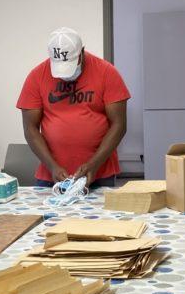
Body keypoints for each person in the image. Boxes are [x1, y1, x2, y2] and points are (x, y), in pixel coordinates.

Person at [17, 27, 130, 188]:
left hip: (100, 174)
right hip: (51, 176)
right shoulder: (36, 76)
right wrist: (52, 166)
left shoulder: (107, 72)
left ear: (82, 52)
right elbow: (30, 128)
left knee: (99, 213)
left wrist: (94, 164)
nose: (65, 75)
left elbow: (119, 125)